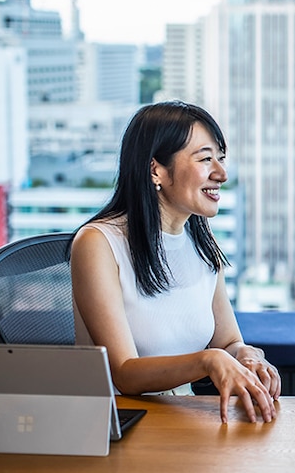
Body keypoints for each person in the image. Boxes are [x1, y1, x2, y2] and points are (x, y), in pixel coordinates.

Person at [71, 101, 280, 424]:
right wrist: (208, 361)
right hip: (120, 426)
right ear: (157, 170)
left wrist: (244, 355)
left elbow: (226, 341)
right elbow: (124, 374)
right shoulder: (98, 243)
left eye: (221, 159)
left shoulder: (198, 236)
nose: (221, 174)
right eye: (206, 159)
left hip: (182, 421)